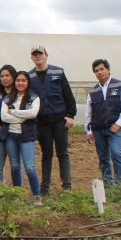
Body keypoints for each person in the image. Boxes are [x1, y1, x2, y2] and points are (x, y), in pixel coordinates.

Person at [29, 45, 76, 195]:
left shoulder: (58, 72)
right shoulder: (29, 76)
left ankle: (67, 187)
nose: (38, 56)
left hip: (59, 120)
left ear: (46, 55)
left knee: (62, 153)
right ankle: (45, 188)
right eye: (35, 54)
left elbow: (68, 95)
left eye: (40, 54)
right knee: (46, 154)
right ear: (32, 58)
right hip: (42, 122)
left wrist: (71, 115)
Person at [85, 58, 121, 186]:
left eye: (102, 69)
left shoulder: (119, 85)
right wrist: (89, 130)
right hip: (98, 129)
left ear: (108, 70)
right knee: (103, 157)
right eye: (96, 71)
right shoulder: (93, 91)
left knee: (116, 153)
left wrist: (118, 123)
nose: (99, 72)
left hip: (113, 128)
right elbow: (88, 113)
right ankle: (108, 184)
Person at [1, 71, 42, 205]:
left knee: (30, 167)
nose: (20, 83)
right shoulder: (8, 98)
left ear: (28, 82)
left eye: (23, 80)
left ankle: (36, 195)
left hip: (27, 136)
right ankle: (16, 195)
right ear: (15, 82)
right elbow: (3, 117)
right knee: (15, 166)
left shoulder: (34, 98)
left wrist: (13, 112)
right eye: (18, 80)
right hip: (11, 136)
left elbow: (33, 113)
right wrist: (22, 118)